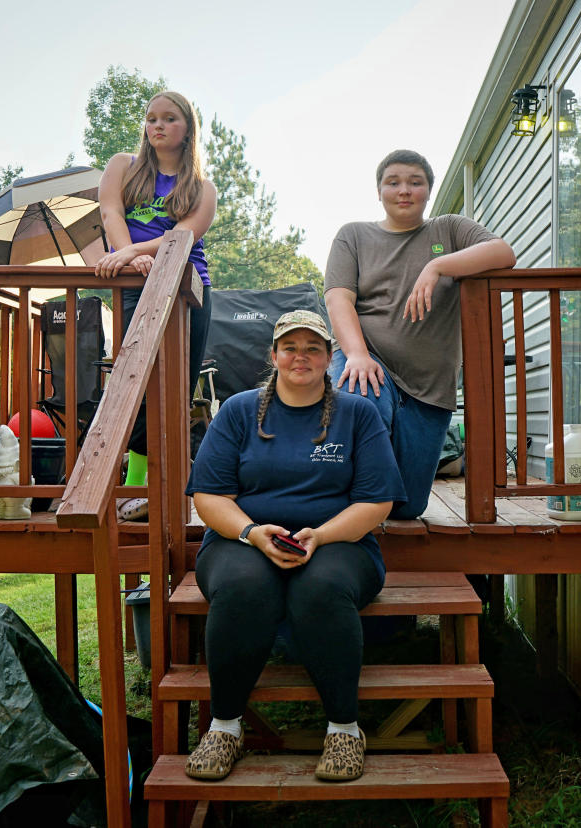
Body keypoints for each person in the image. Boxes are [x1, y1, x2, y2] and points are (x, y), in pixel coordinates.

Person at [183, 310, 404, 782]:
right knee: (243, 587)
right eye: (290, 347)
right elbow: (209, 496)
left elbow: (377, 501)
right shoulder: (239, 411)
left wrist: (321, 535)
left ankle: (344, 729)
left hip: (339, 539)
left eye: (313, 348)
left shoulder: (358, 414)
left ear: (329, 357)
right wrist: (251, 533)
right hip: (241, 537)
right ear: (274, 355)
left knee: (319, 589)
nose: (300, 357)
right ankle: (225, 727)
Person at [325, 149, 516, 519]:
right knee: (360, 406)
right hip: (369, 356)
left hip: (429, 384)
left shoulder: (449, 229)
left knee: (407, 505)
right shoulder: (353, 236)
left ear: (428, 190)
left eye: (415, 182)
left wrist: (437, 265)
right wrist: (358, 355)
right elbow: (338, 300)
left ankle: (368, 503)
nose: (404, 190)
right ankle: (341, 513)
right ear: (378, 190)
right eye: (393, 182)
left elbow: (503, 252)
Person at [95, 90, 218, 521]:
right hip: (133, 285)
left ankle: (164, 487)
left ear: (187, 129)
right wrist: (131, 257)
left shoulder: (202, 187)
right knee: (137, 378)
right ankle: (137, 485)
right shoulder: (122, 166)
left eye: (169, 119)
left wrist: (130, 254)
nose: (157, 126)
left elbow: (182, 236)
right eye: (151, 119)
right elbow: (110, 212)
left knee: (176, 388)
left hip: (189, 288)